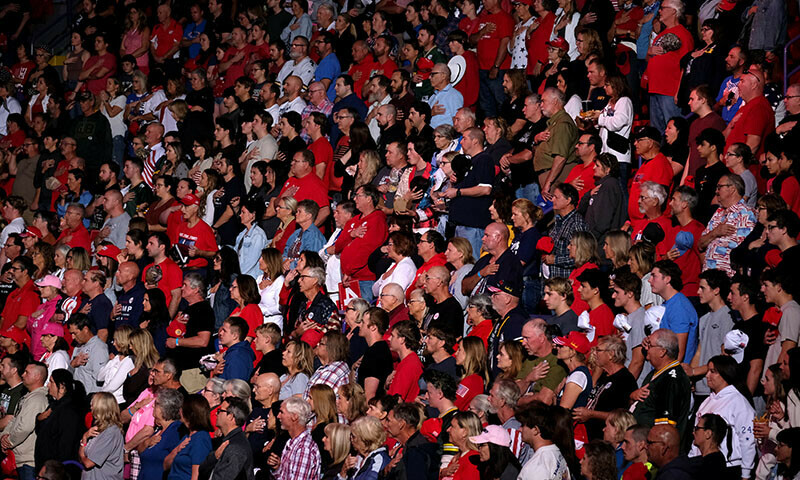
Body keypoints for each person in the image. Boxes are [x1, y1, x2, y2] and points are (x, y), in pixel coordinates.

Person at [632, 329, 692, 438]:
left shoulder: (671, 381)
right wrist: (633, 396)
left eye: (650, 345)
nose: (646, 348)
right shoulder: (657, 373)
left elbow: (665, 428)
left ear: (662, 352)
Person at [34, 368, 86, 467]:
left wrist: (57, 467)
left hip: (56, 467)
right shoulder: (54, 406)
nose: (48, 385)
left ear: (62, 387)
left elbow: (66, 444)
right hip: (47, 465)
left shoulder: (69, 410)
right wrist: (39, 418)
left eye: (51, 382)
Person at [383, 402, 441, 480]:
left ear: (401, 424)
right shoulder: (408, 447)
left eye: (388, 420)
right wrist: (386, 471)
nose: (385, 424)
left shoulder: (417, 452)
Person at [200, 396, 253, 478]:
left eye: (220, 411)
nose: (216, 414)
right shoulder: (225, 440)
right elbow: (202, 469)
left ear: (230, 416)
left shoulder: (236, 447)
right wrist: (214, 457)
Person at [269, 397, 321, 480]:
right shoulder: (291, 442)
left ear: (294, 416)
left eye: (282, 412)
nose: (278, 416)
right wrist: (278, 468)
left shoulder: (303, 449)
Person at [138, 388, 185, 480]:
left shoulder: (175, 431)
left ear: (164, 408)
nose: (152, 406)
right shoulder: (159, 430)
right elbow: (140, 451)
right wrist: (147, 442)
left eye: (156, 404)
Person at [517, 402, 571, 480]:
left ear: (535, 430)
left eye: (523, 425)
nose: (519, 429)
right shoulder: (557, 451)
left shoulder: (535, 469)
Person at [165, 396, 213, 480]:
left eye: (182, 408)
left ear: (189, 413)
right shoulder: (187, 436)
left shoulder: (201, 439)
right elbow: (165, 465)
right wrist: (177, 450)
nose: (180, 411)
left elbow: (196, 475)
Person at [79, 392, 125, 479]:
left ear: (101, 408)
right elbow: (83, 457)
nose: (91, 407)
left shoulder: (110, 432)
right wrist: (85, 437)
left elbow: (88, 463)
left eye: (93, 404)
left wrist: (82, 455)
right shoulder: (98, 429)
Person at [68, 313, 108, 394]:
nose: (73, 337)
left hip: (90, 398)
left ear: (85, 329)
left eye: (75, 333)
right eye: (71, 333)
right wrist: (72, 365)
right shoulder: (77, 347)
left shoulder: (99, 348)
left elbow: (100, 379)